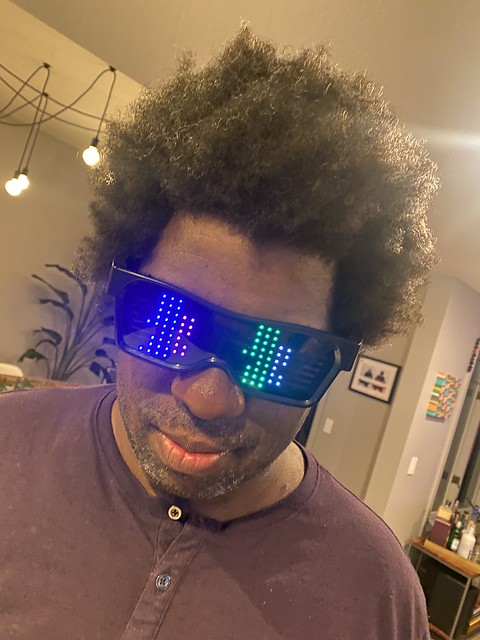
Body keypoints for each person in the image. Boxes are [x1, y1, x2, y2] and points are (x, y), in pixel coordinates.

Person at [0, 27, 438, 639]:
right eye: (170, 323)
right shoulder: (8, 447)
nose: (208, 398)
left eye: (275, 355)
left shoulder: (377, 596)